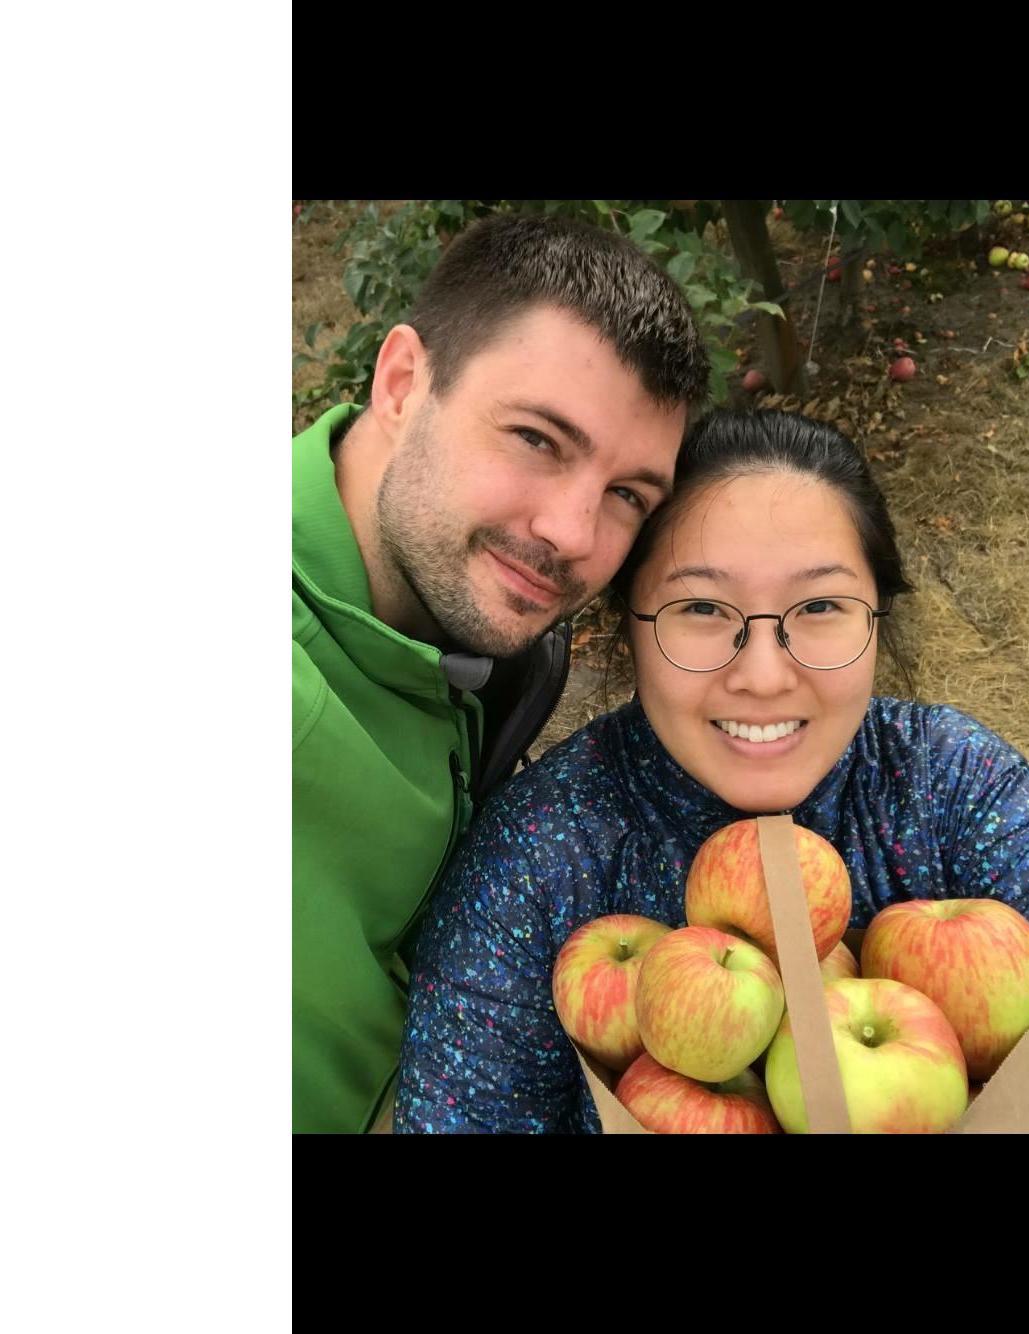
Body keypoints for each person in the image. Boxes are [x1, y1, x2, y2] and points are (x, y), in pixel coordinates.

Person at [394, 409, 1029, 1134]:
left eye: (822, 605)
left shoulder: (951, 784)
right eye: (701, 607)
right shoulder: (543, 856)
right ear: (626, 625)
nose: (763, 677)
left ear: (878, 616)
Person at [293, 212, 711, 1133]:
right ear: (403, 382)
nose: (573, 533)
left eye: (628, 495)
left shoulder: (486, 641)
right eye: (535, 438)